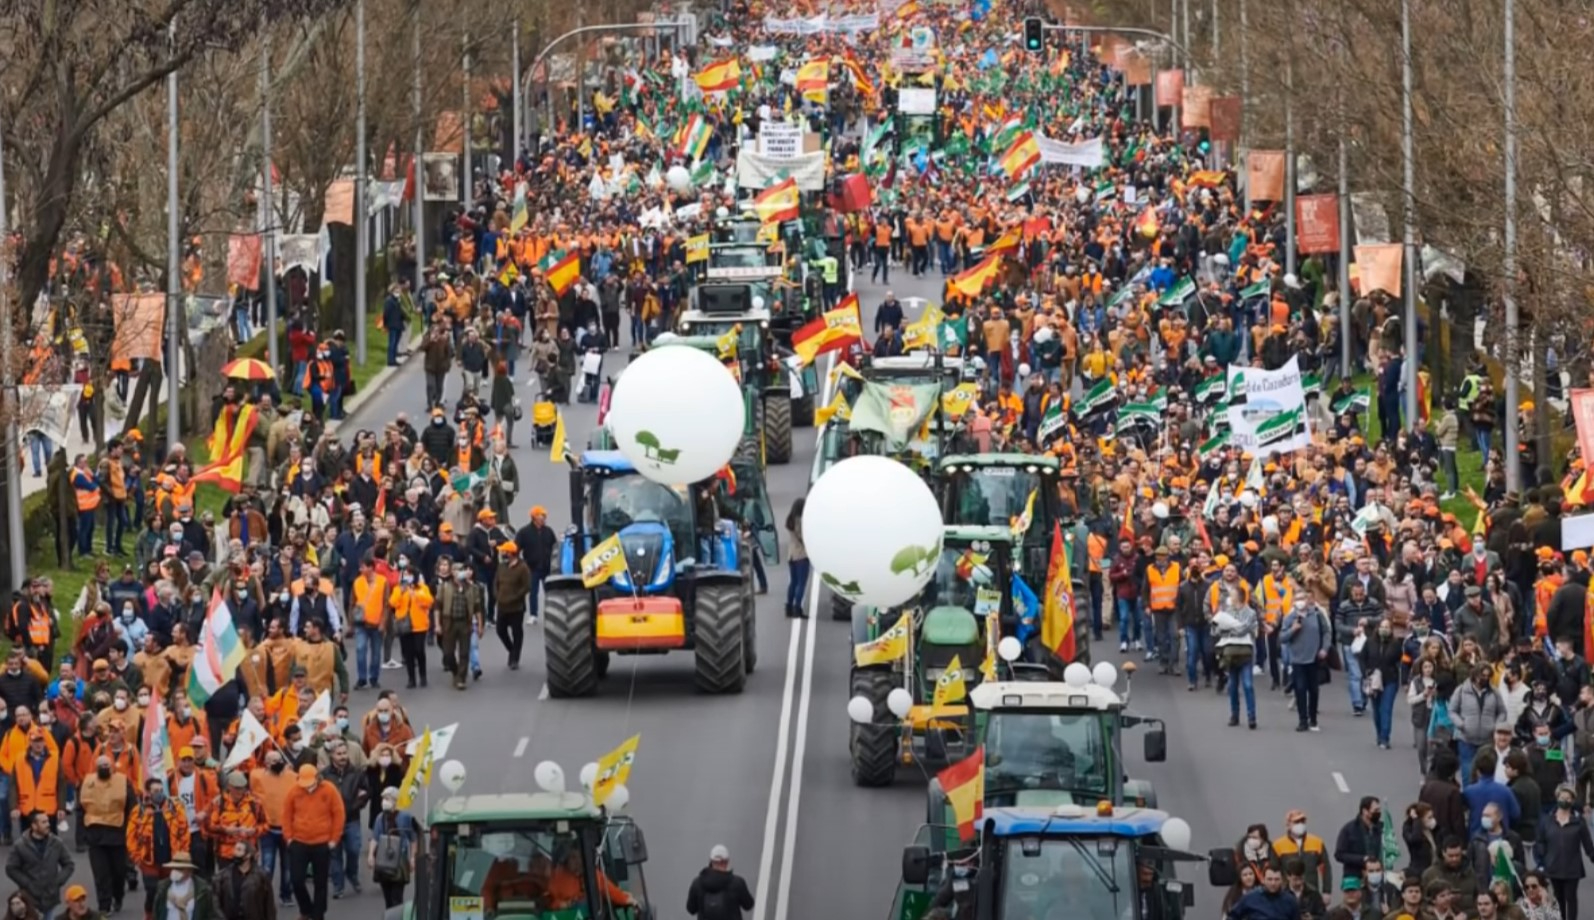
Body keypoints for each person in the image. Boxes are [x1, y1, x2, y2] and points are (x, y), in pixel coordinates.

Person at [282, 764, 343, 920]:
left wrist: (334, 840)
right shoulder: (294, 791)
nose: (307, 787)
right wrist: (288, 838)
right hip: (299, 841)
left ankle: (318, 915)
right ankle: (306, 909)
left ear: (317, 778)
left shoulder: (329, 789)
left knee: (320, 883)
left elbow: (339, 814)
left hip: (322, 842)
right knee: (296, 880)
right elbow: (286, 814)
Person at [127, 776, 189, 918]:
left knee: (169, 891)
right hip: (149, 861)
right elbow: (131, 837)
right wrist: (136, 858)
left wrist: (183, 854)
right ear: (148, 793)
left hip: (171, 859)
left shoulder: (175, 808)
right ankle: (149, 914)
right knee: (152, 890)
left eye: (161, 790)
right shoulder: (139, 811)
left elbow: (184, 832)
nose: (159, 793)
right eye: (155, 790)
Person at [78, 754, 132, 914]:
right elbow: (80, 809)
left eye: (106, 766)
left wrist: (131, 831)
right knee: (101, 874)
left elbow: (132, 808)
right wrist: (81, 834)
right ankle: (104, 905)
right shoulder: (87, 783)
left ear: (112, 768)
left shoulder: (122, 782)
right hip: (95, 836)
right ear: (96, 767)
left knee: (119, 872)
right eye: (100, 765)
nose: (104, 768)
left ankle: (118, 896)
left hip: (117, 834)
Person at [1532, 785, 1594, 920]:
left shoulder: (1578, 822)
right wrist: (1541, 860)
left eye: (1568, 798)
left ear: (1572, 801)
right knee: (1558, 898)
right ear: (1557, 798)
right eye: (1562, 797)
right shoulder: (1547, 821)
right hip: (1553, 866)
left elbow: (1588, 845)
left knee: (1570, 898)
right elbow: (1540, 841)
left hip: (1572, 868)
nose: (1564, 800)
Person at [4, 810, 73, 920]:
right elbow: (11, 868)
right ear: (34, 826)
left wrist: (57, 882)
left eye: (48, 821)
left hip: (50, 896)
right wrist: (27, 883)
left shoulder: (56, 843)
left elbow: (69, 864)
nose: (48, 825)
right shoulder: (20, 845)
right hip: (30, 898)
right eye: (44, 822)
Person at [367, 787, 416, 909]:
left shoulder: (405, 817)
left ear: (395, 801)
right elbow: (375, 838)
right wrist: (370, 855)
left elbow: (413, 839)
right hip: (384, 861)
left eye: (387, 799)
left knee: (397, 897)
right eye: (383, 798)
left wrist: (412, 858)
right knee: (388, 898)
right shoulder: (380, 818)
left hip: (400, 861)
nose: (384, 801)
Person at [686, 844, 754, 920]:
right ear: (727, 862)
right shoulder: (737, 883)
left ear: (711, 861)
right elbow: (748, 905)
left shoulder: (697, 883)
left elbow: (691, 909)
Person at [214, 839, 275, 920]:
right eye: (235, 849)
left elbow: (269, 905)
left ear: (248, 855)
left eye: (239, 850)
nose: (234, 853)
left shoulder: (261, 876)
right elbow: (216, 904)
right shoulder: (222, 876)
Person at [151, 852, 217, 920]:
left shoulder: (202, 889)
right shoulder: (163, 887)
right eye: (173, 868)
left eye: (180, 869)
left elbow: (211, 914)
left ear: (189, 871)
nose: (175, 872)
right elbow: (156, 913)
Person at [1225, 865, 1301, 920]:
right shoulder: (1250, 898)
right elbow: (1232, 916)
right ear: (1263, 880)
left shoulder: (1290, 901)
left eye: (1276, 879)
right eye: (1269, 879)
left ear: (1282, 880)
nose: (1273, 883)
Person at [784, 499, 809, 619]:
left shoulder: (790, 520)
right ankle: (797, 608)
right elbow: (803, 537)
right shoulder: (800, 522)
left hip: (791, 555)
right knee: (801, 584)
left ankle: (788, 606)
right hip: (801, 555)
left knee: (793, 582)